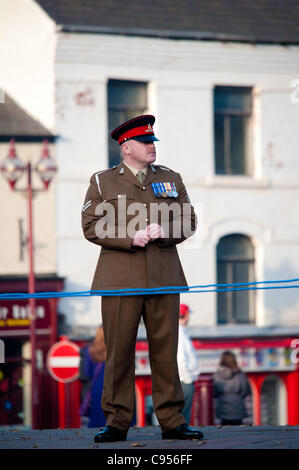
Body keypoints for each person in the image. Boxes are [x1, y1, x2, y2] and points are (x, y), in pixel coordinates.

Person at [81, 114, 203, 442]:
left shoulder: (170, 178)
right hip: (120, 278)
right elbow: (91, 226)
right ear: (126, 146)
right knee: (119, 352)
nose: (152, 147)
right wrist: (128, 237)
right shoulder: (103, 181)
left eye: (153, 141)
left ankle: (172, 420)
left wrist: (167, 230)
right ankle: (117, 421)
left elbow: (190, 220)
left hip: (164, 275)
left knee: (166, 351)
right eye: (145, 142)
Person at [213, 350, 251, 426]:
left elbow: (214, 392)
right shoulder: (240, 374)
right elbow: (245, 390)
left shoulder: (217, 374)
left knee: (225, 432)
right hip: (238, 408)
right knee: (238, 433)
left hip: (223, 409)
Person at [79, 325, 106, 428]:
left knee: (97, 421)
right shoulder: (114, 350)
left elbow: (87, 373)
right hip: (112, 386)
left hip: (96, 389)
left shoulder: (90, 350)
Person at [177, 304, 200, 424]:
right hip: (184, 381)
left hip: (183, 380)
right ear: (185, 315)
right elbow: (180, 360)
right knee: (184, 415)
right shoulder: (180, 334)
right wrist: (188, 379)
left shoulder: (181, 332)